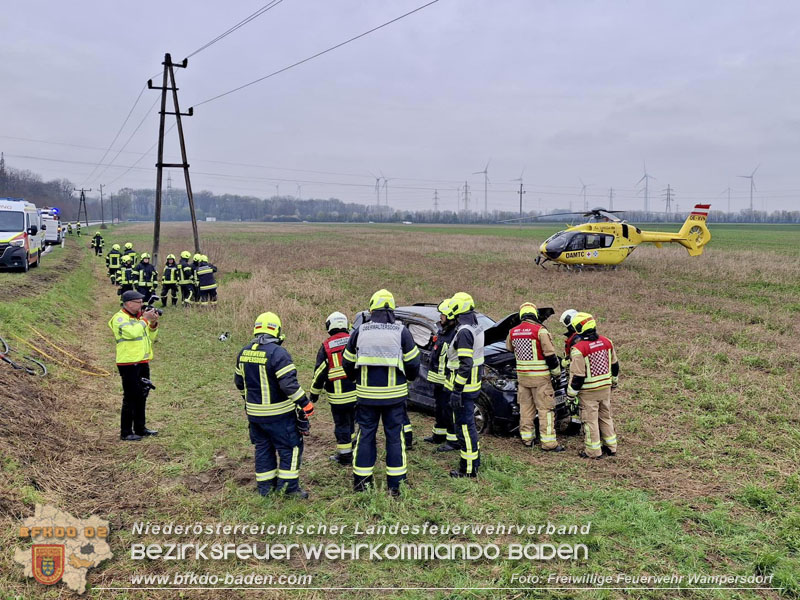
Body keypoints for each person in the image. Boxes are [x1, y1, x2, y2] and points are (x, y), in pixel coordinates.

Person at [342, 289, 420, 496]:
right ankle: (396, 486)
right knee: (395, 438)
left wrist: (354, 378)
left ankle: (362, 484)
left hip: (366, 397)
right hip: (394, 398)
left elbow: (347, 362)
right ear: (392, 310)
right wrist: (409, 377)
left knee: (365, 436)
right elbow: (413, 363)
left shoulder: (360, 332)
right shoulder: (401, 331)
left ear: (372, 309)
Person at [234, 312, 314, 498]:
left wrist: (249, 402)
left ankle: (265, 489)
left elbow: (240, 383)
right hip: (279, 415)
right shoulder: (279, 353)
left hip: (254, 416)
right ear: (277, 331)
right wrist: (305, 403)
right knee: (291, 448)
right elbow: (288, 385)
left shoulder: (243, 353)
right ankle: (289, 490)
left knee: (263, 448)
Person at [506, 303, 564, 451]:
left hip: (523, 378)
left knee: (526, 408)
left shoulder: (513, 332)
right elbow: (550, 355)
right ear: (535, 315)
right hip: (541, 379)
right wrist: (556, 373)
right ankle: (549, 443)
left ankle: (527, 439)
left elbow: (509, 349)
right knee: (545, 409)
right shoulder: (540, 331)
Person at [108, 290, 160, 441]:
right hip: (128, 363)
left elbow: (150, 338)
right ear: (129, 303)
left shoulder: (139, 318)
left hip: (142, 362)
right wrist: (145, 319)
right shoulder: (118, 319)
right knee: (130, 397)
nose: (142, 305)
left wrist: (153, 324)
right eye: (139, 302)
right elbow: (131, 333)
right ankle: (126, 432)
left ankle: (140, 428)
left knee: (142, 395)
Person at [567, 313, 620, 459]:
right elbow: (615, 365)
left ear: (578, 328)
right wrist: (614, 382)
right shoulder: (607, 342)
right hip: (605, 388)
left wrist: (570, 395)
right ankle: (611, 447)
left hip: (588, 392)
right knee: (605, 417)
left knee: (590, 421)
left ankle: (593, 452)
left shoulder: (578, 349)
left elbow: (578, 376)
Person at [309, 312, 358, 465]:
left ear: (329, 326)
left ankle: (345, 457)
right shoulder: (355, 340)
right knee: (353, 422)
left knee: (342, 426)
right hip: (359, 393)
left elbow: (319, 373)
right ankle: (355, 449)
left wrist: (313, 395)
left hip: (339, 397)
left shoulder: (327, 346)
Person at [444, 292, 483, 478]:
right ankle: (474, 461)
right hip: (472, 385)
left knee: (465, 427)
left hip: (464, 388)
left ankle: (468, 469)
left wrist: (456, 390)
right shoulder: (476, 327)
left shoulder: (465, 332)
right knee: (469, 427)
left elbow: (465, 364)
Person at [423, 298, 458, 452]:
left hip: (447, 380)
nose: (440, 317)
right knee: (439, 409)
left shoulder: (455, 334)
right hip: (438, 379)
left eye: (443, 315)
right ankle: (438, 435)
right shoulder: (443, 331)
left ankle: (452, 441)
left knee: (448, 411)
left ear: (450, 316)